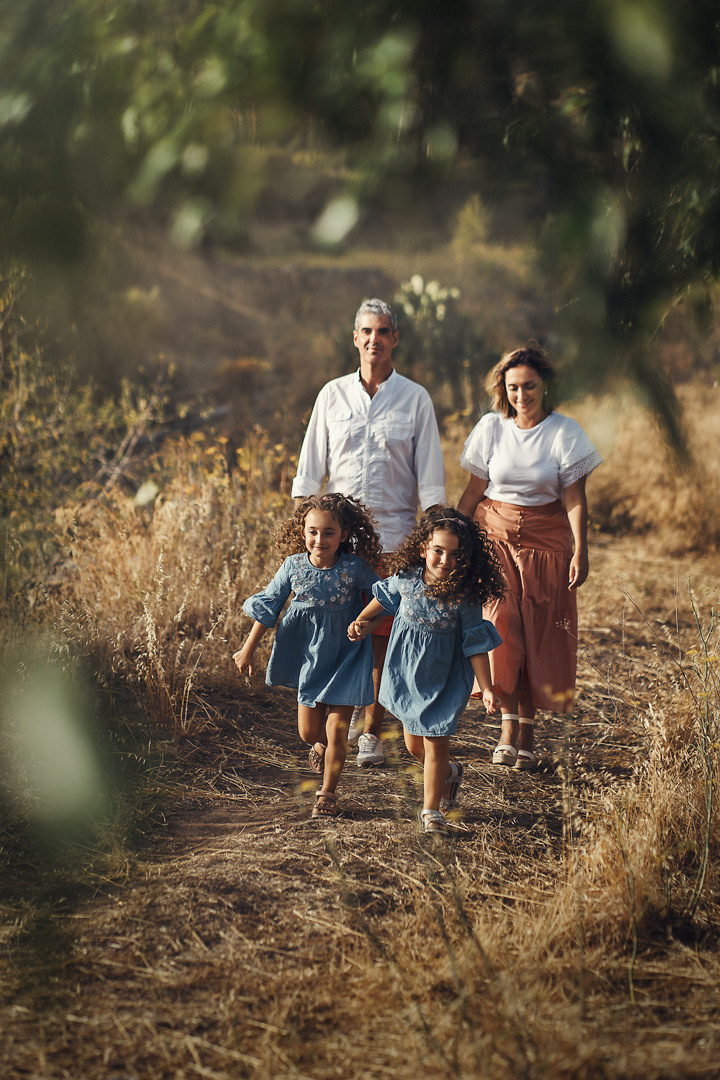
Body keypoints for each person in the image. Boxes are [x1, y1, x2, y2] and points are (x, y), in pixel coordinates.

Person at [292, 298, 447, 768]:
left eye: (383, 331)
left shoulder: (415, 398)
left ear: (395, 339)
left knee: (379, 635)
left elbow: (432, 482)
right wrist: (308, 541)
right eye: (366, 331)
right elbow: (306, 478)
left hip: (396, 539)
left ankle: (371, 733)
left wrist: (433, 547)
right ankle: (324, 735)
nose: (374, 339)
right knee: (332, 632)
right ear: (355, 337)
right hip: (338, 541)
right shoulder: (331, 396)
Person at [457, 343, 603, 771]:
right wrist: (445, 537)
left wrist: (581, 548)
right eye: (513, 387)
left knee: (539, 631)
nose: (521, 395)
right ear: (504, 388)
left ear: (545, 385)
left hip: (547, 540)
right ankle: (507, 728)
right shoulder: (491, 428)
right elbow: (473, 490)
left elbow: (575, 497)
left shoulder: (565, 431)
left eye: (530, 386)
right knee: (502, 624)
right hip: (494, 534)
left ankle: (528, 732)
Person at [347, 508, 504, 836]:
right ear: (423, 549)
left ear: (467, 558)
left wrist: (486, 687)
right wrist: (363, 621)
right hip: (406, 673)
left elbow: (476, 644)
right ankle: (450, 773)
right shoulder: (406, 579)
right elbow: (383, 601)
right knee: (414, 746)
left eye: (455, 554)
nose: (445, 560)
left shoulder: (465, 595)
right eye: (438, 550)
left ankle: (431, 813)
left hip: (445, 678)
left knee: (434, 744)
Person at [233, 494, 382, 818]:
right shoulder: (293, 566)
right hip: (308, 658)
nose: (320, 539)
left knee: (337, 729)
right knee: (308, 732)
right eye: (313, 531)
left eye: (329, 532)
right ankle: (320, 745)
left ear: (343, 535)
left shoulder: (354, 568)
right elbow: (269, 607)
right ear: (302, 531)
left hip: (347, 654)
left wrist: (368, 625)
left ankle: (327, 793)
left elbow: (384, 598)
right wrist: (248, 649)